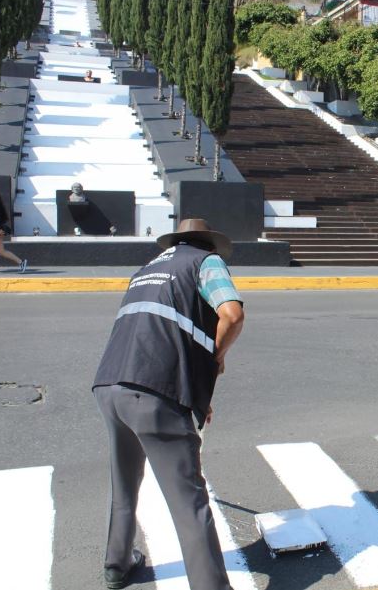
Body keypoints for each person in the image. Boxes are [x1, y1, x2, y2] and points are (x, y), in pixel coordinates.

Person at [92, 218, 244, 590]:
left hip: (110, 384)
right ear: (207, 243)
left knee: (124, 482)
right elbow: (232, 314)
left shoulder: (146, 270)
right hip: (155, 390)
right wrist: (215, 359)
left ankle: (117, 565)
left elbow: (155, 333)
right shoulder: (205, 262)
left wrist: (194, 395)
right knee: (189, 502)